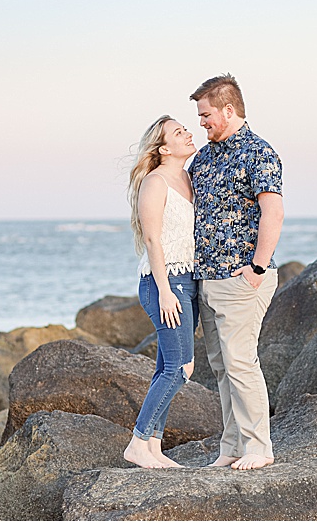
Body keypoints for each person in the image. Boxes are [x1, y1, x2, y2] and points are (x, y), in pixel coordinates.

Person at [189, 74, 284, 471]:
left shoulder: (258, 152)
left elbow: (273, 211)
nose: (201, 122)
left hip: (242, 277)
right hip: (207, 278)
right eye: (199, 116)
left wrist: (258, 267)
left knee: (241, 362)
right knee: (222, 367)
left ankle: (259, 448)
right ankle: (232, 446)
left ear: (229, 110)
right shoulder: (204, 158)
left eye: (206, 114)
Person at [123, 115, 198, 469]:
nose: (189, 134)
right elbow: (153, 239)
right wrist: (166, 291)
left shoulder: (187, 177)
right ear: (164, 147)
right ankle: (138, 441)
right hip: (162, 282)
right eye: (179, 132)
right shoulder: (155, 182)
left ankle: (153, 445)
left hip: (185, 280)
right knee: (182, 367)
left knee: (166, 367)